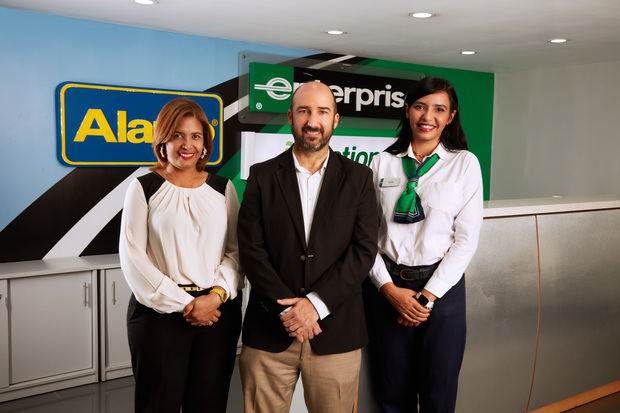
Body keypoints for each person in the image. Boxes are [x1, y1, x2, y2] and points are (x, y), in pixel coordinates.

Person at [237, 81, 378, 413]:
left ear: (336, 120)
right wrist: (288, 311)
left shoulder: (359, 178)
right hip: (270, 332)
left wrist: (315, 305)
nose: (312, 121)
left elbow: (363, 250)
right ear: (290, 116)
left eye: (322, 112)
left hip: (336, 333)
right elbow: (251, 250)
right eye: (304, 111)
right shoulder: (261, 176)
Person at [365, 77, 483, 413]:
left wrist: (425, 298)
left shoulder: (464, 164)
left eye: (438, 109)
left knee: (438, 395)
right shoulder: (382, 162)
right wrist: (388, 290)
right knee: (391, 396)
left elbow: (466, 240)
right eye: (419, 106)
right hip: (387, 288)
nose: (427, 116)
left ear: (451, 116)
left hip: (441, 292)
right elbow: (366, 236)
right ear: (407, 110)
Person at [119, 97, 243, 413]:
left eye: (195, 136)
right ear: (163, 140)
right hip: (159, 316)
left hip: (216, 314)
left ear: (205, 144)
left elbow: (236, 251)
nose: (186, 144)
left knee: (209, 403)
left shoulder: (222, 188)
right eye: (177, 135)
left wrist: (215, 297)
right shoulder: (143, 187)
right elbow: (133, 257)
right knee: (157, 404)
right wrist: (187, 305)